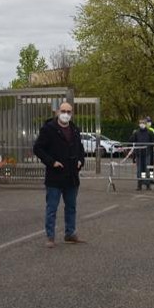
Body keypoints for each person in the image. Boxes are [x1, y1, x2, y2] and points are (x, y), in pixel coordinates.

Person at [34, 102, 87, 248]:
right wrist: (52, 162)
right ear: (58, 112)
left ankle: (70, 234)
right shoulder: (49, 129)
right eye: (63, 111)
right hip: (55, 176)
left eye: (69, 112)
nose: (66, 114)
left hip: (71, 176)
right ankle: (50, 237)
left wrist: (80, 161)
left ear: (72, 113)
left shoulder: (75, 129)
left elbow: (80, 149)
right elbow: (37, 148)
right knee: (52, 208)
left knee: (71, 207)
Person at [127, 117, 154, 191]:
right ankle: (139, 184)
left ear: (146, 124)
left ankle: (147, 184)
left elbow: (153, 142)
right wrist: (132, 135)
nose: (142, 124)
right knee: (139, 170)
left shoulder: (150, 132)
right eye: (140, 123)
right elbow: (130, 141)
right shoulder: (136, 132)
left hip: (147, 154)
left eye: (143, 123)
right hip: (139, 154)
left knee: (147, 170)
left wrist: (149, 150)